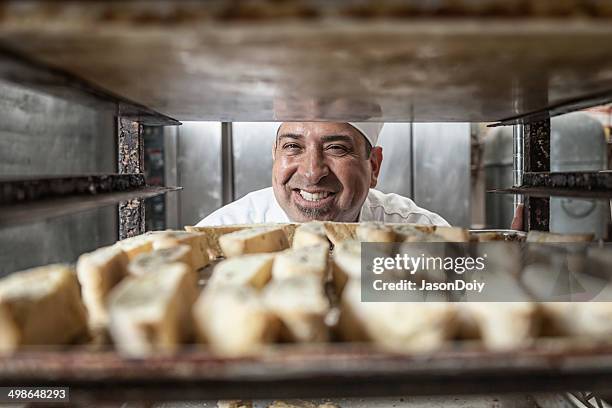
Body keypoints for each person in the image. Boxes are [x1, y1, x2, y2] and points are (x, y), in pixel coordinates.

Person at [197, 122, 450, 226]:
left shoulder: (419, 230)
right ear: (275, 156)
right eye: (293, 147)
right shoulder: (225, 229)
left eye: (336, 148)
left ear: (373, 166)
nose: (312, 173)